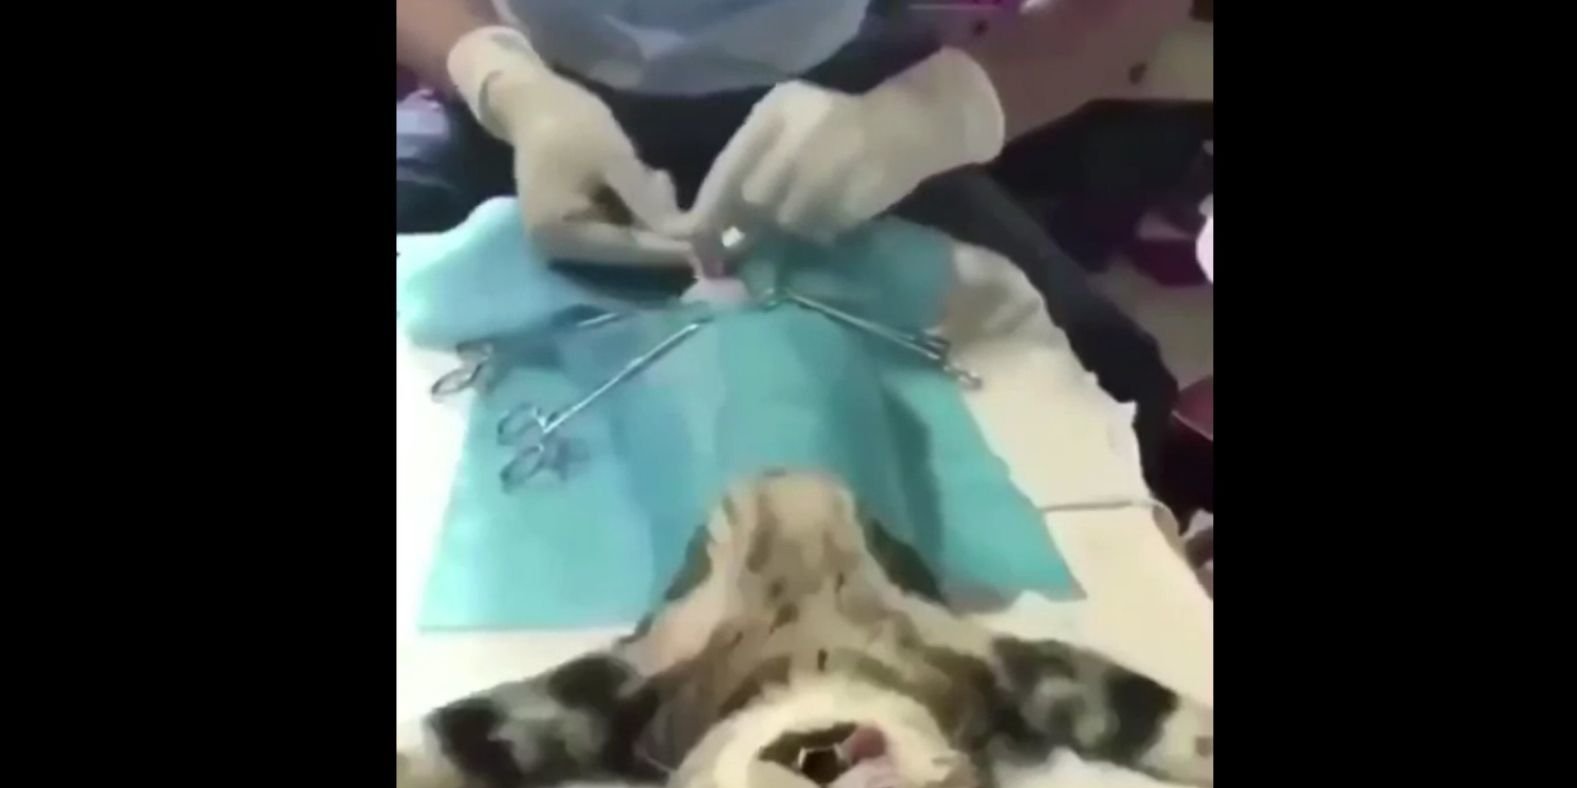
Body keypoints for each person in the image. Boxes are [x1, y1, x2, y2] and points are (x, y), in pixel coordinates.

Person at [397, 0, 1187, 470]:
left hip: (840, 95)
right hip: (522, 83)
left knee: (1107, 377)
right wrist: (500, 80)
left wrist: (937, 114)